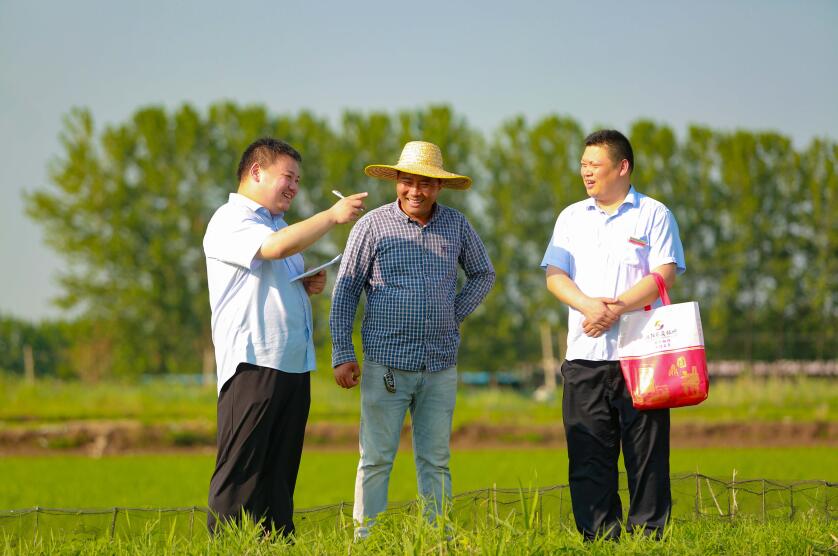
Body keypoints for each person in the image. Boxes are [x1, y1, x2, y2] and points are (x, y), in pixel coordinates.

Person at [330, 141, 495, 537]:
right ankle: (366, 540)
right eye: (407, 181)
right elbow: (346, 289)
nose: (415, 191)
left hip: (439, 364)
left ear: (439, 186)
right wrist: (342, 351)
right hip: (385, 364)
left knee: (436, 460)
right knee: (375, 459)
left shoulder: (456, 224)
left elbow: (483, 273)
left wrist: (452, 313)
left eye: (425, 183)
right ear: (396, 182)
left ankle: (437, 539)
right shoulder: (372, 226)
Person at [203, 137, 366, 536]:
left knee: (279, 473)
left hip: (292, 363)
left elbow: (271, 270)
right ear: (256, 171)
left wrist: (304, 283)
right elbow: (273, 250)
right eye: (288, 177)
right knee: (242, 472)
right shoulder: (230, 219)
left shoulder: (275, 225)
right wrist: (332, 217)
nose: (294, 187)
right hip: (253, 363)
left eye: (297, 180)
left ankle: (277, 542)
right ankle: (226, 544)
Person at [541, 130, 686, 541]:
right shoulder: (571, 217)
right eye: (583, 165)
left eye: (595, 165)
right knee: (588, 457)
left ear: (622, 167)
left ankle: (648, 540)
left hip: (642, 356)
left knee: (647, 457)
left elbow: (664, 273)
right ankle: (598, 541)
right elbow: (555, 276)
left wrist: (616, 308)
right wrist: (589, 307)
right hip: (584, 356)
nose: (586, 172)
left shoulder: (653, 214)